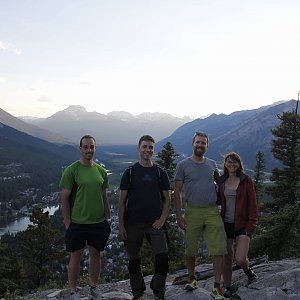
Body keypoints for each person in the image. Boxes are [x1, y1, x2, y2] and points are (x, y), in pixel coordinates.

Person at [174, 132, 227, 300]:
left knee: (218, 249)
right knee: (190, 249)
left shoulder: (212, 164)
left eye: (203, 143)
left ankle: (217, 287)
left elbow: (222, 185)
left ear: (207, 145)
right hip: (193, 210)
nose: (200, 145)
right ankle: (192, 277)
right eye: (198, 142)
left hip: (212, 211)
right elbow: (177, 192)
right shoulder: (183, 165)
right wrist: (179, 215)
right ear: (192, 144)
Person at [118, 135, 171, 300]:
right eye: (144, 147)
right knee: (134, 259)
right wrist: (121, 226)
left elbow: (167, 199)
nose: (147, 150)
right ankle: (138, 292)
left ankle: (158, 290)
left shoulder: (160, 173)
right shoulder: (130, 172)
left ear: (153, 150)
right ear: (138, 148)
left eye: (150, 147)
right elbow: (121, 202)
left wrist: (162, 219)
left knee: (162, 258)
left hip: (154, 224)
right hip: (133, 224)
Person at [60, 135, 111, 300]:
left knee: (96, 255)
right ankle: (74, 291)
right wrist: (67, 222)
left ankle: (94, 287)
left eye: (92, 147)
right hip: (78, 222)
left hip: (98, 222)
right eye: (86, 147)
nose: (89, 150)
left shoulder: (101, 171)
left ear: (95, 148)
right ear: (80, 148)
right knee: (76, 256)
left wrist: (108, 218)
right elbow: (64, 198)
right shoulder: (72, 170)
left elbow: (104, 196)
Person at [217, 152, 259, 298]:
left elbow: (253, 205)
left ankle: (247, 271)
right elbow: (217, 201)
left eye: (235, 162)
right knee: (227, 259)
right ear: (225, 164)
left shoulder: (246, 180)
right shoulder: (222, 181)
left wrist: (251, 225)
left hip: (242, 224)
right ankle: (227, 286)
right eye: (229, 162)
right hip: (226, 225)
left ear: (239, 164)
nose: (232, 164)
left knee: (240, 258)